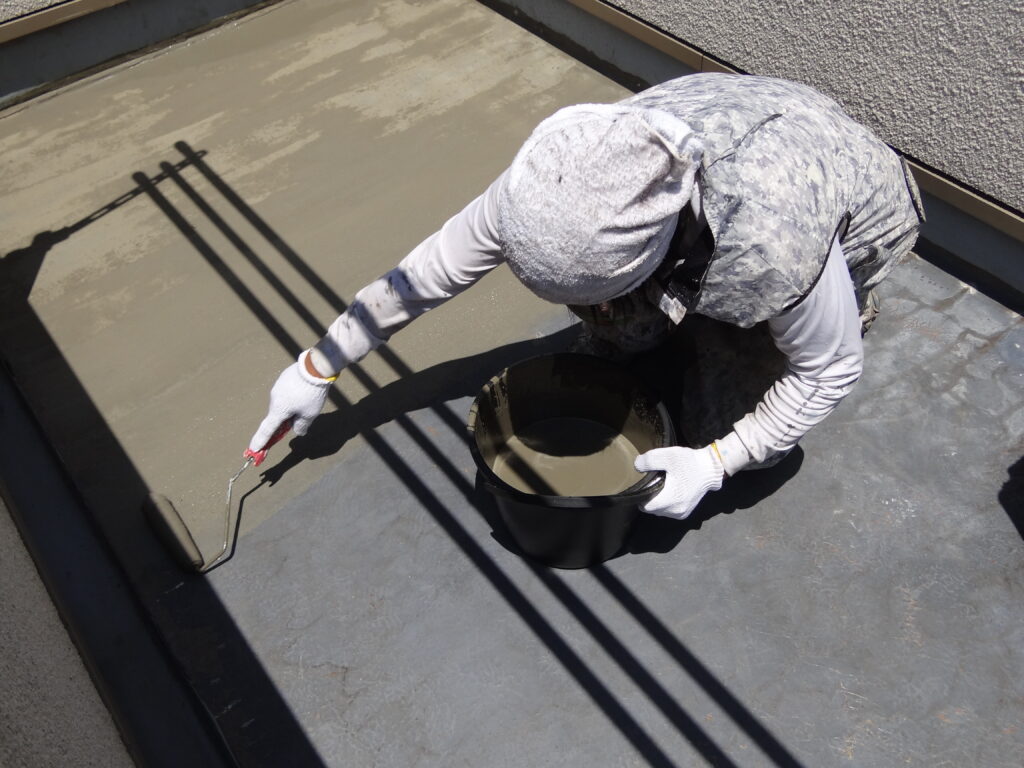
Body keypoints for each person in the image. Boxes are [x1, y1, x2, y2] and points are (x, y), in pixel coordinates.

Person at [247, 73, 924, 521]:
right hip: (729, 163)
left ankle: (822, 313)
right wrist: (319, 365)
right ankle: (667, 319)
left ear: (651, 259)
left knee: (734, 423)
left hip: (846, 212)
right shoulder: (563, 176)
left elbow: (829, 368)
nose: (591, 315)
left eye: (600, 298)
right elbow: (427, 273)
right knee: (624, 336)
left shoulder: (773, 244)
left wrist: (716, 463)